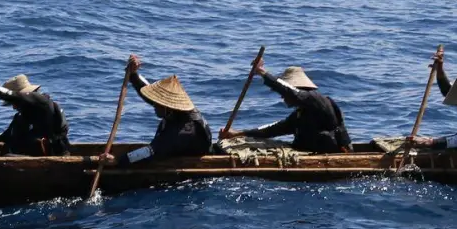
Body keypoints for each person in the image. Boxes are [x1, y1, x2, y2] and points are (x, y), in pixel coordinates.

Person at [220, 54, 352, 153]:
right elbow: (273, 129)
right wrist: (237, 134)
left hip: (333, 153)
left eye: (284, 95)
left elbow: (289, 91)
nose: (283, 98)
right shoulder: (299, 115)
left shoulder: (315, 100)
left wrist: (262, 72)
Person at [103, 55, 213, 166]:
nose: (154, 105)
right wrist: (133, 74)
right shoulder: (173, 111)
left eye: (157, 104)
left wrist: (118, 161)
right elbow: (146, 92)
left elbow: (151, 151)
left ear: (167, 107)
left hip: (191, 171)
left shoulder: (183, 131)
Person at [0, 72, 72, 157]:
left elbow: (8, 95)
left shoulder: (42, 103)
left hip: (50, 158)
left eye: (14, 103)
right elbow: (5, 137)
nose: (13, 107)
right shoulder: (20, 118)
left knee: (7, 158)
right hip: (28, 158)